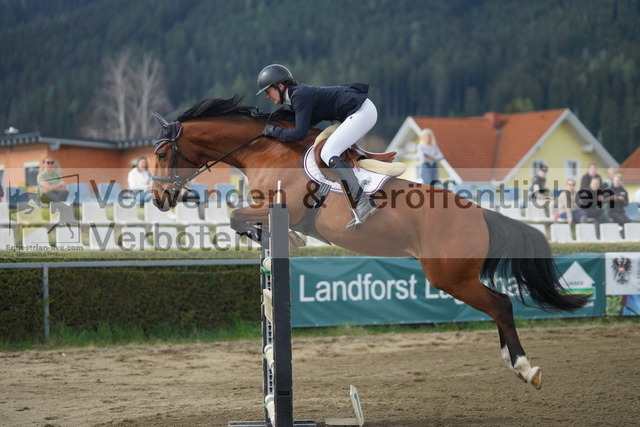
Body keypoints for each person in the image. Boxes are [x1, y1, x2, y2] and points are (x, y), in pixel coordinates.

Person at [257, 64, 377, 229]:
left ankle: (363, 201)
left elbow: (300, 134)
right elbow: (303, 126)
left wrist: (275, 131)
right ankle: (363, 194)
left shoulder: (299, 95)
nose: (267, 96)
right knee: (332, 152)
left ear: (280, 85)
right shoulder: (295, 98)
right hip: (360, 111)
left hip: (362, 111)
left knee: (328, 152)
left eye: (267, 91)